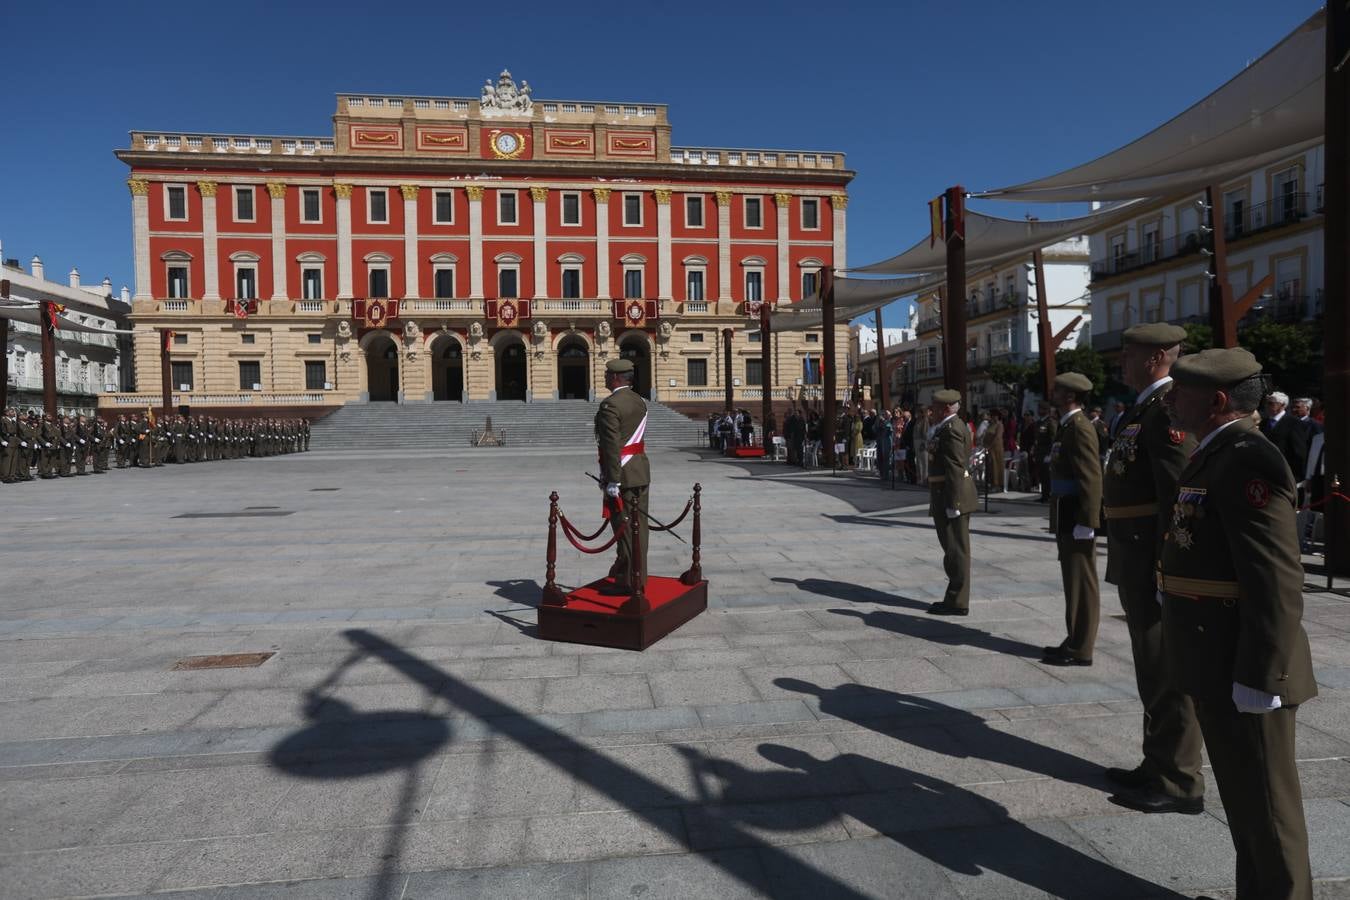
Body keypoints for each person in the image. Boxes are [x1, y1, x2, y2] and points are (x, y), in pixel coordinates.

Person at [1160, 347, 1316, 900]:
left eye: (1182, 391)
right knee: (1248, 806)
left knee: (1269, 812)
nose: (1172, 398)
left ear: (1217, 400)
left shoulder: (1248, 457)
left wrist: (1262, 675)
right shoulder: (1216, 452)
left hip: (1243, 662)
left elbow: (1275, 578)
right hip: (1216, 654)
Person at [1098, 324, 1205, 816]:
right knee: (1150, 668)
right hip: (1134, 558)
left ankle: (1180, 779)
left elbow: (1176, 495)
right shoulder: (1144, 409)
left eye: (1130, 352)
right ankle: (1156, 761)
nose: (1121, 359)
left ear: (1157, 357)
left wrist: (1168, 570)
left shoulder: (1165, 414)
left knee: (1167, 670)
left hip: (1152, 563)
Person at [1043, 372, 1102, 666]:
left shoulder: (1079, 428)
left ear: (1069, 396)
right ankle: (1075, 638)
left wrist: (1087, 521)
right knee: (1073, 579)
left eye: (1058, 389)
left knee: (1081, 580)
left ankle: (1081, 647)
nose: (1052, 392)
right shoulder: (1067, 426)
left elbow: (1091, 477)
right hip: (1066, 510)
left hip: (1075, 513)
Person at [595, 358, 650, 595]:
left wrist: (612, 480)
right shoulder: (639, 401)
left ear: (616, 378)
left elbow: (611, 445)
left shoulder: (610, 406)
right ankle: (639, 575)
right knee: (641, 528)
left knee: (624, 528)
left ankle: (628, 580)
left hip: (623, 475)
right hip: (640, 470)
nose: (606, 378)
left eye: (608, 375)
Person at [925, 389, 978, 617]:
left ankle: (957, 601)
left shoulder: (952, 429)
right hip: (944, 492)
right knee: (952, 549)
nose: (932, 411)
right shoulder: (946, 427)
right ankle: (954, 596)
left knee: (956, 550)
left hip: (951, 494)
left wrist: (954, 502)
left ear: (946, 408)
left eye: (935, 407)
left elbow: (956, 466)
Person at [1260, 391, 1309, 482]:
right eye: (1266, 403)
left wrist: (1297, 475)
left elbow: (1299, 451)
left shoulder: (1294, 423)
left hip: (1286, 472)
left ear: (1282, 405)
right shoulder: (1264, 423)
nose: (1267, 406)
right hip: (1266, 471)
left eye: (1271, 403)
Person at [1032, 402, 1059, 501]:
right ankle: (1044, 495)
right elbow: (1037, 438)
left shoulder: (1050, 422)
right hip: (1039, 452)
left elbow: (1053, 439)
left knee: (1047, 475)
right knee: (1042, 475)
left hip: (1046, 452)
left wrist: (1050, 454)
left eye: (1042, 409)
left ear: (1047, 411)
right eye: (1039, 409)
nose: (1039, 411)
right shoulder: (1039, 422)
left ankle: (1050, 495)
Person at [982, 409, 1005, 492]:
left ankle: (997, 484)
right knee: (990, 467)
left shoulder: (999, 425)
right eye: (992, 415)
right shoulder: (990, 425)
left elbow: (997, 437)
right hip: (988, 448)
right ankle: (991, 483)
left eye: (995, 415)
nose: (993, 417)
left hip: (996, 448)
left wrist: (990, 446)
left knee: (996, 466)